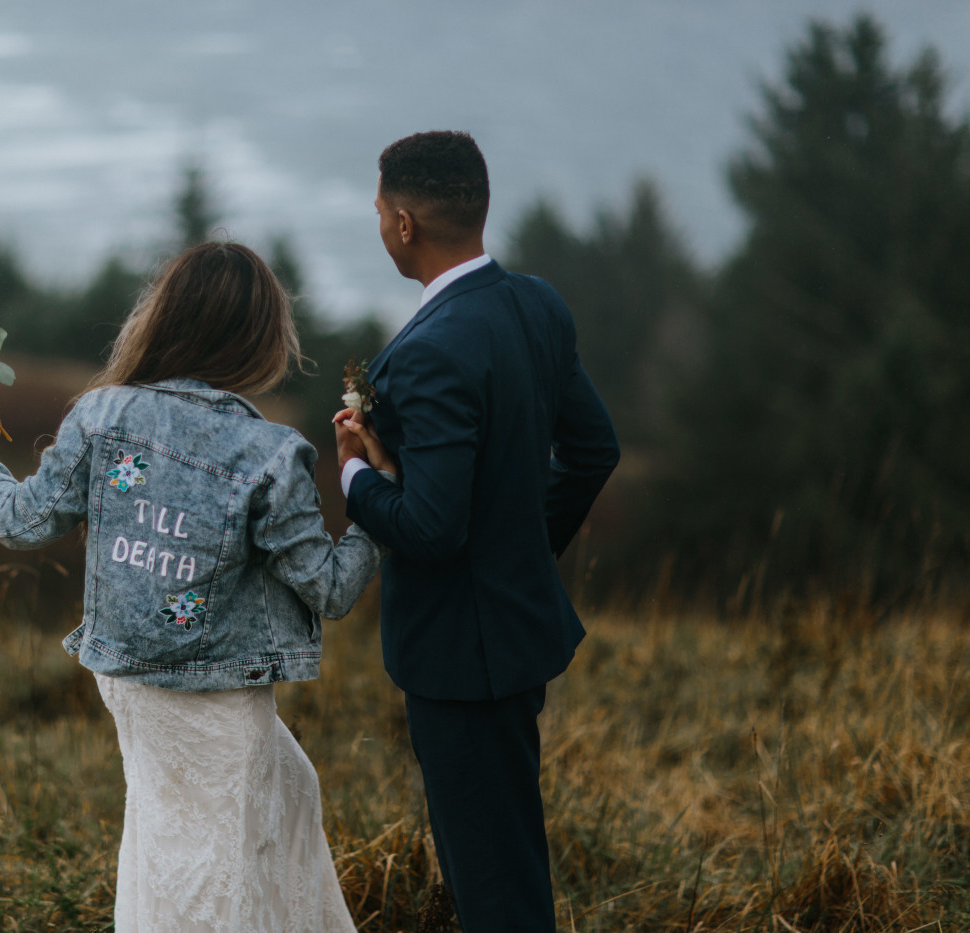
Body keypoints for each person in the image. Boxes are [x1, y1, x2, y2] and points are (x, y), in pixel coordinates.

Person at [0, 241, 380, 932]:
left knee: (274, 799)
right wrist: (376, 492)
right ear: (258, 338)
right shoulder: (269, 453)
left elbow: (21, 519)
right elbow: (333, 590)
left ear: (164, 319)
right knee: (207, 871)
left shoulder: (101, 415)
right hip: (219, 695)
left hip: (133, 681)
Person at [335, 131, 620, 931]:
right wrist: (522, 552)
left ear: (402, 225)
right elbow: (595, 449)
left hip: (461, 655)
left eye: (380, 212)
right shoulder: (536, 305)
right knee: (503, 859)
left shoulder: (429, 352)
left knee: (491, 885)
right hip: (516, 631)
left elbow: (429, 529)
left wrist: (355, 476)